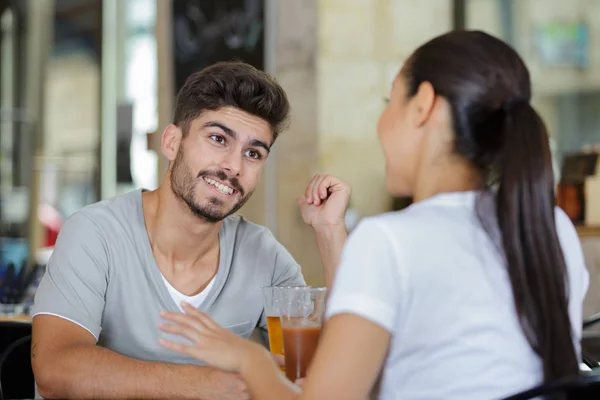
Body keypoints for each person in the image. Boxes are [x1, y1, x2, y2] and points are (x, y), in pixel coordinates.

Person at [158, 31, 590, 400]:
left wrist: (247, 357)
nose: (382, 121)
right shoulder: (550, 227)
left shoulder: (389, 239)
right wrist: (331, 228)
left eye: (390, 101)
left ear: (422, 106)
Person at [31, 61, 350, 399]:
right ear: (171, 142)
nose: (233, 166)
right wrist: (204, 384)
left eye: (253, 153)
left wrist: (330, 231)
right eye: (217, 138)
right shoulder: (95, 234)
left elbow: (334, 368)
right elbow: (55, 369)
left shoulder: (263, 256)